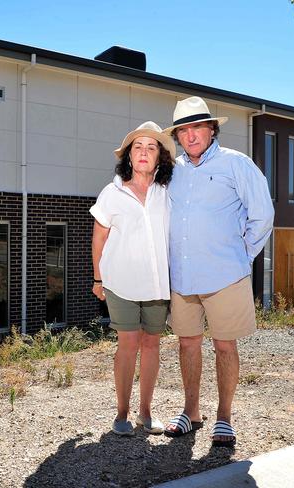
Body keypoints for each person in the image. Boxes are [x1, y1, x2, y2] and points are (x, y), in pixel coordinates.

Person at [161, 96, 274, 447]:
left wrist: (242, 257)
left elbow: (263, 214)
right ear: (178, 136)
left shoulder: (236, 164)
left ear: (212, 128)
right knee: (188, 344)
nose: (191, 135)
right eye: (184, 130)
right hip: (183, 278)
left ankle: (224, 417)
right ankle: (191, 411)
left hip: (226, 277)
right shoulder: (174, 171)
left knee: (225, 346)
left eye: (197, 127)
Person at [90, 121, 176, 436]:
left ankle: (146, 413)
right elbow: (98, 238)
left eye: (151, 147)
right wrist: (98, 279)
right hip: (121, 284)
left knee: (151, 344)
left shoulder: (167, 192)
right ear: (129, 156)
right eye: (138, 147)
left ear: (160, 158)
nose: (143, 152)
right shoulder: (111, 192)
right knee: (127, 344)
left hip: (157, 284)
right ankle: (122, 414)